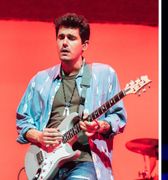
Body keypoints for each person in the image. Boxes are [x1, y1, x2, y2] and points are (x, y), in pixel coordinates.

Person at [16, 13, 127, 180]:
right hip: (46, 162)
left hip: (85, 160)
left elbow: (118, 118)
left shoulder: (105, 74)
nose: (64, 43)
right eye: (61, 37)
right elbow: (22, 120)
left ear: (85, 45)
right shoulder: (40, 79)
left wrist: (100, 125)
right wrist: (38, 136)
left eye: (71, 38)